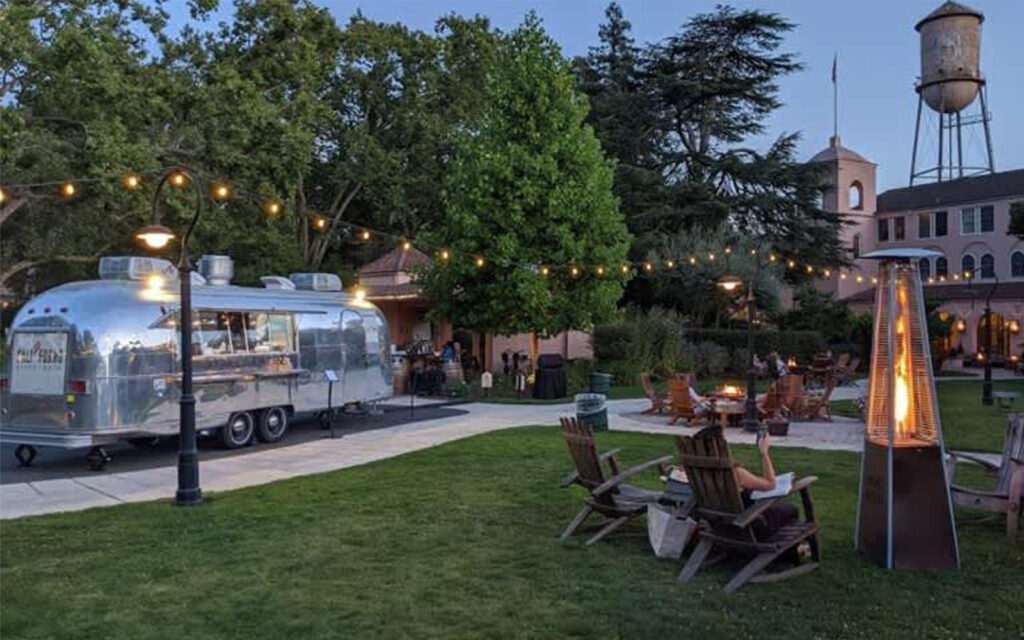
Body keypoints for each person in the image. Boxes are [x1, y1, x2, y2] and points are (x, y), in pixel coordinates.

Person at [733, 434, 798, 535]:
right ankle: (793, 549)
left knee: (781, 509)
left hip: (720, 527)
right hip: (749, 525)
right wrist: (764, 453)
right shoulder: (735, 472)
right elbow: (770, 485)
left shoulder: (700, 473)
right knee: (791, 509)